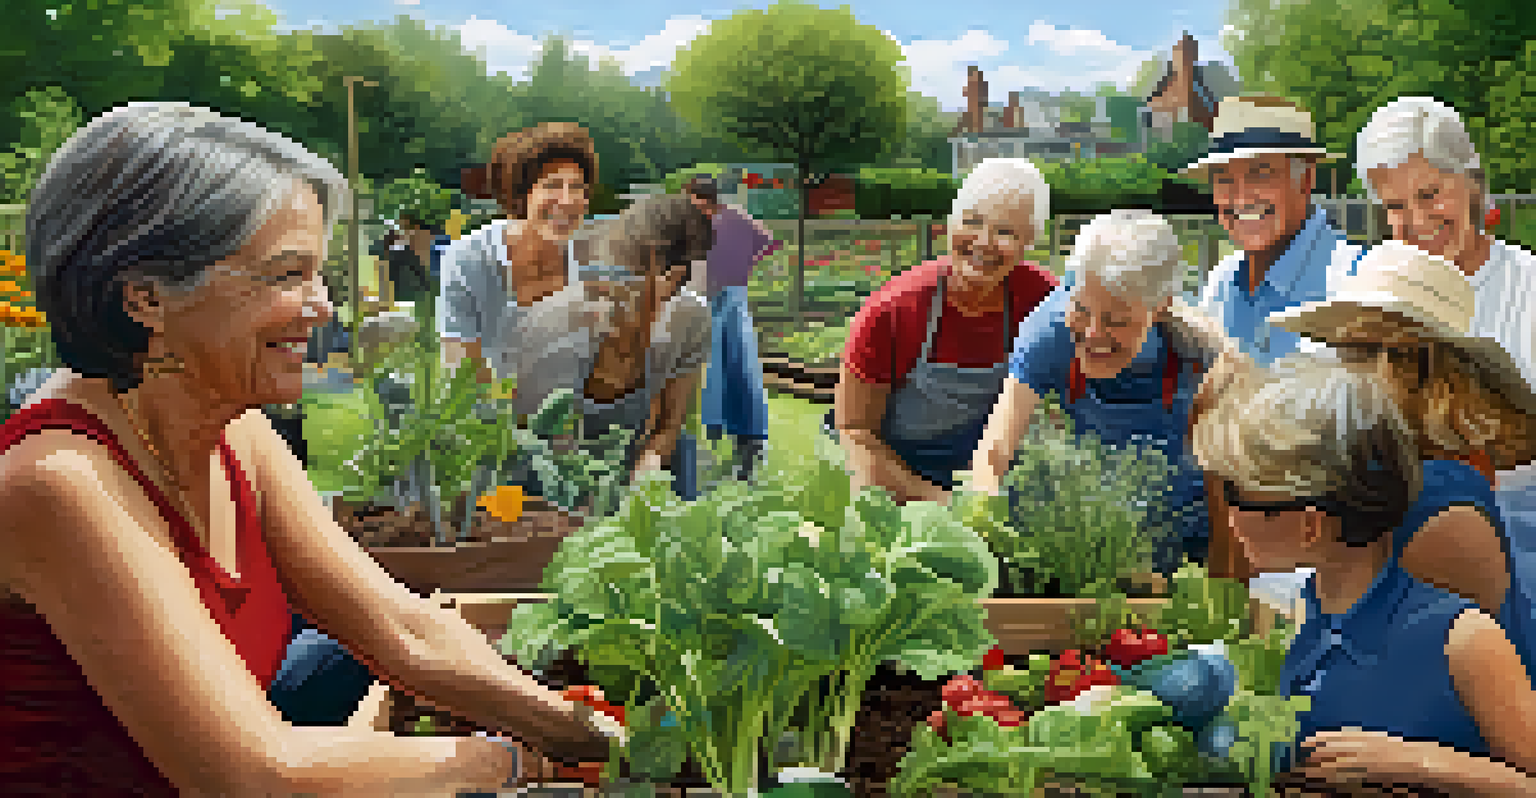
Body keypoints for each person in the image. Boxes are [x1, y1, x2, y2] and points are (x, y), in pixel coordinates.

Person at [0, 103, 618, 796]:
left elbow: (404, 630)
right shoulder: (61, 480)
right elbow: (259, 775)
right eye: (286, 275)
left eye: (318, 275)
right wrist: (508, 763)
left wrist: (581, 733)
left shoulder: (235, 430)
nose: (322, 307)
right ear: (145, 297)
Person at [1191, 356, 1536, 795]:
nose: (1229, 513)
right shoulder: (1308, 614)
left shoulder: (1463, 639)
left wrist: (1421, 762)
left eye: (1236, 492)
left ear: (1310, 526)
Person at [1268, 239, 1536, 681]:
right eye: (1343, 349)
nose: (1338, 369)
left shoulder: (1441, 509)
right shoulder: (1392, 480)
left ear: (1418, 369)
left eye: (1356, 352)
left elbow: (1419, 688)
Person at [972, 210, 1243, 574]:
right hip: (1081, 549)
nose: (1093, 334)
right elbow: (994, 452)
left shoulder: (1204, 357)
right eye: (1081, 310)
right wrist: (987, 526)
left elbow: (1229, 491)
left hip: (1185, 551)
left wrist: (1220, 585)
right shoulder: (1049, 336)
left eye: (1117, 321)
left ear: (1160, 308)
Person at [1355, 95, 1536, 628]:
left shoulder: (1527, 288)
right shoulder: (1373, 291)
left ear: (1472, 182)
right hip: (1395, 565)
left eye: (1430, 194)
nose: (1414, 221)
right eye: (1394, 207)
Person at [1180, 94, 1365, 581]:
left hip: (1323, 565)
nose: (1240, 197)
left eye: (1260, 172)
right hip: (1240, 553)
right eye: (1225, 178)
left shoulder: (1352, 285)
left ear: (1306, 179)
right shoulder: (1221, 283)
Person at [832, 158, 1058, 504]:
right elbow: (854, 432)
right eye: (972, 222)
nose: (983, 242)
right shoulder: (894, 311)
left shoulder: (1042, 299)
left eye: (1005, 232)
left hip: (982, 475)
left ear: (1030, 240)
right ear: (950, 224)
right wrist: (941, 506)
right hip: (890, 474)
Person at [438, 122, 596, 411]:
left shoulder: (595, 262)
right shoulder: (470, 257)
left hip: (577, 423)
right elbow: (462, 370)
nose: (567, 201)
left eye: (576, 187)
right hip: (488, 426)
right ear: (522, 194)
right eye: (551, 186)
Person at [577, 192, 713, 480]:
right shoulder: (574, 306)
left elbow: (669, 423)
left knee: (685, 456)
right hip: (557, 453)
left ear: (672, 278)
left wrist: (644, 472)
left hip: (635, 454)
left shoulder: (690, 317)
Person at [686, 174, 780, 482]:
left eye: (693, 200)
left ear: (704, 198)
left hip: (730, 296)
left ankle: (751, 441)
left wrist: (745, 268)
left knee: (739, 366)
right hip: (704, 298)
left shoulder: (733, 217)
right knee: (711, 371)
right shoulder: (696, 222)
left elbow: (766, 242)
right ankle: (715, 437)